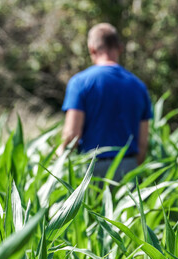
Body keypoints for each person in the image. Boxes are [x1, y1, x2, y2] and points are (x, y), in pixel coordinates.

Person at [57, 23, 153, 180]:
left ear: (92, 49)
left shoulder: (80, 82)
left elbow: (72, 134)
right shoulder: (139, 86)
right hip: (128, 167)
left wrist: (58, 155)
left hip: (91, 169)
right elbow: (143, 143)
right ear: (120, 48)